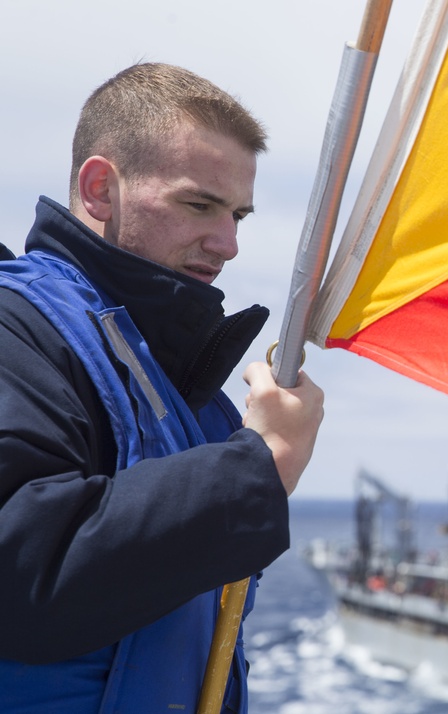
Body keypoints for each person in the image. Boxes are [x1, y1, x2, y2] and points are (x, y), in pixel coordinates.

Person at [0, 63, 325, 712]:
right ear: (100, 191)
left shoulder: (193, 395)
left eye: (237, 213)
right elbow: (23, 575)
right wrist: (255, 470)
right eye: (199, 204)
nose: (228, 241)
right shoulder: (16, 330)